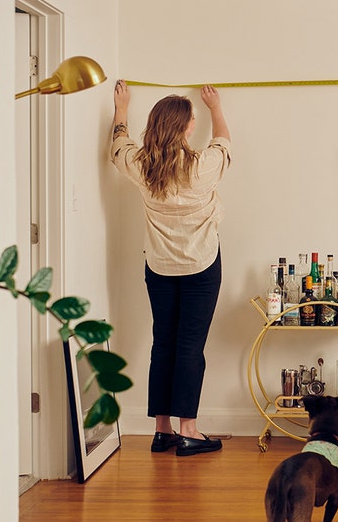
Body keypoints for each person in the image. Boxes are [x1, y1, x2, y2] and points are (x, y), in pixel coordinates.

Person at [111, 80, 231, 456]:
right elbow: (225, 141)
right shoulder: (203, 167)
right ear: (186, 127)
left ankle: (161, 431)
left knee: (163, 344)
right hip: (201, 265)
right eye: (192, 119)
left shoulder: (142, 167)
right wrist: (215, 107)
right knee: (190, 348)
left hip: (160, 267)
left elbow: (118, 145)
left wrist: (121, 107)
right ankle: (189, 431)